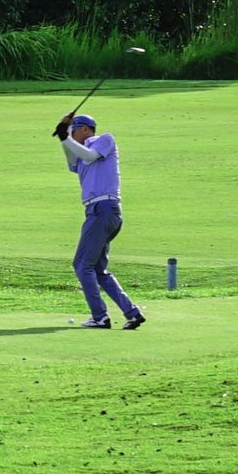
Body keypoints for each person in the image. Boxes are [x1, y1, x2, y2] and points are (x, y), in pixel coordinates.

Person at [58, 113, 143, 330]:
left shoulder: (105, 140)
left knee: (82, 264)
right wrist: (64, 136)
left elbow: (89, 156)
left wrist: (65, 137)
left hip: (104, 209)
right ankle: (132, 313)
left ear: (85, 129)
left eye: (74, 130)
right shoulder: (78, 152)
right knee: (97, 270)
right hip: (97, 211)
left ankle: (100, 317)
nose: (72, 134)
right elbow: (72, 160)